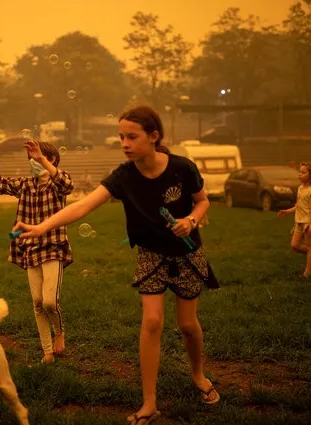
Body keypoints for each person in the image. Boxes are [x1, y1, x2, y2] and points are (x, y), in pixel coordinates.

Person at [12, 105, 221, 423]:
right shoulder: (124, 176)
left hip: (187, 253)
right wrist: (42, 227)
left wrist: (191, 220)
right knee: (151, 322)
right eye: (121, 136)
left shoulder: (182, 168)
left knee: (188, 326)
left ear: (154, 137)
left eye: (131, 136)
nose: (124, 143)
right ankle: (149, 402)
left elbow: (203, 200)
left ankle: (198, 374)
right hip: (150, 254)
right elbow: (82, 206)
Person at [0, 125, 74, 364]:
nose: (31, 161)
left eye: (36, 157)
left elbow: (67, 184)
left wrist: (42, 159)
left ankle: (60, 332)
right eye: (30, 158)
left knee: (49, 302)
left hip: (53, 247)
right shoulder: (24, 185)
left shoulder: (56, 185)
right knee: (36, 303)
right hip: (30, 250)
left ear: (50, 159)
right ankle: (47, 351)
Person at [277, 163, 311, 278]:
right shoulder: (300, 188)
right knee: (294, 245)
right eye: (299, 172)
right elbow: (299, 205)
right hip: (299, 221)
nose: (300, 174)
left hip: (309, 222)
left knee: (310, 247)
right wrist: (288, 211)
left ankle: (308, 273)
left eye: (303, 172)